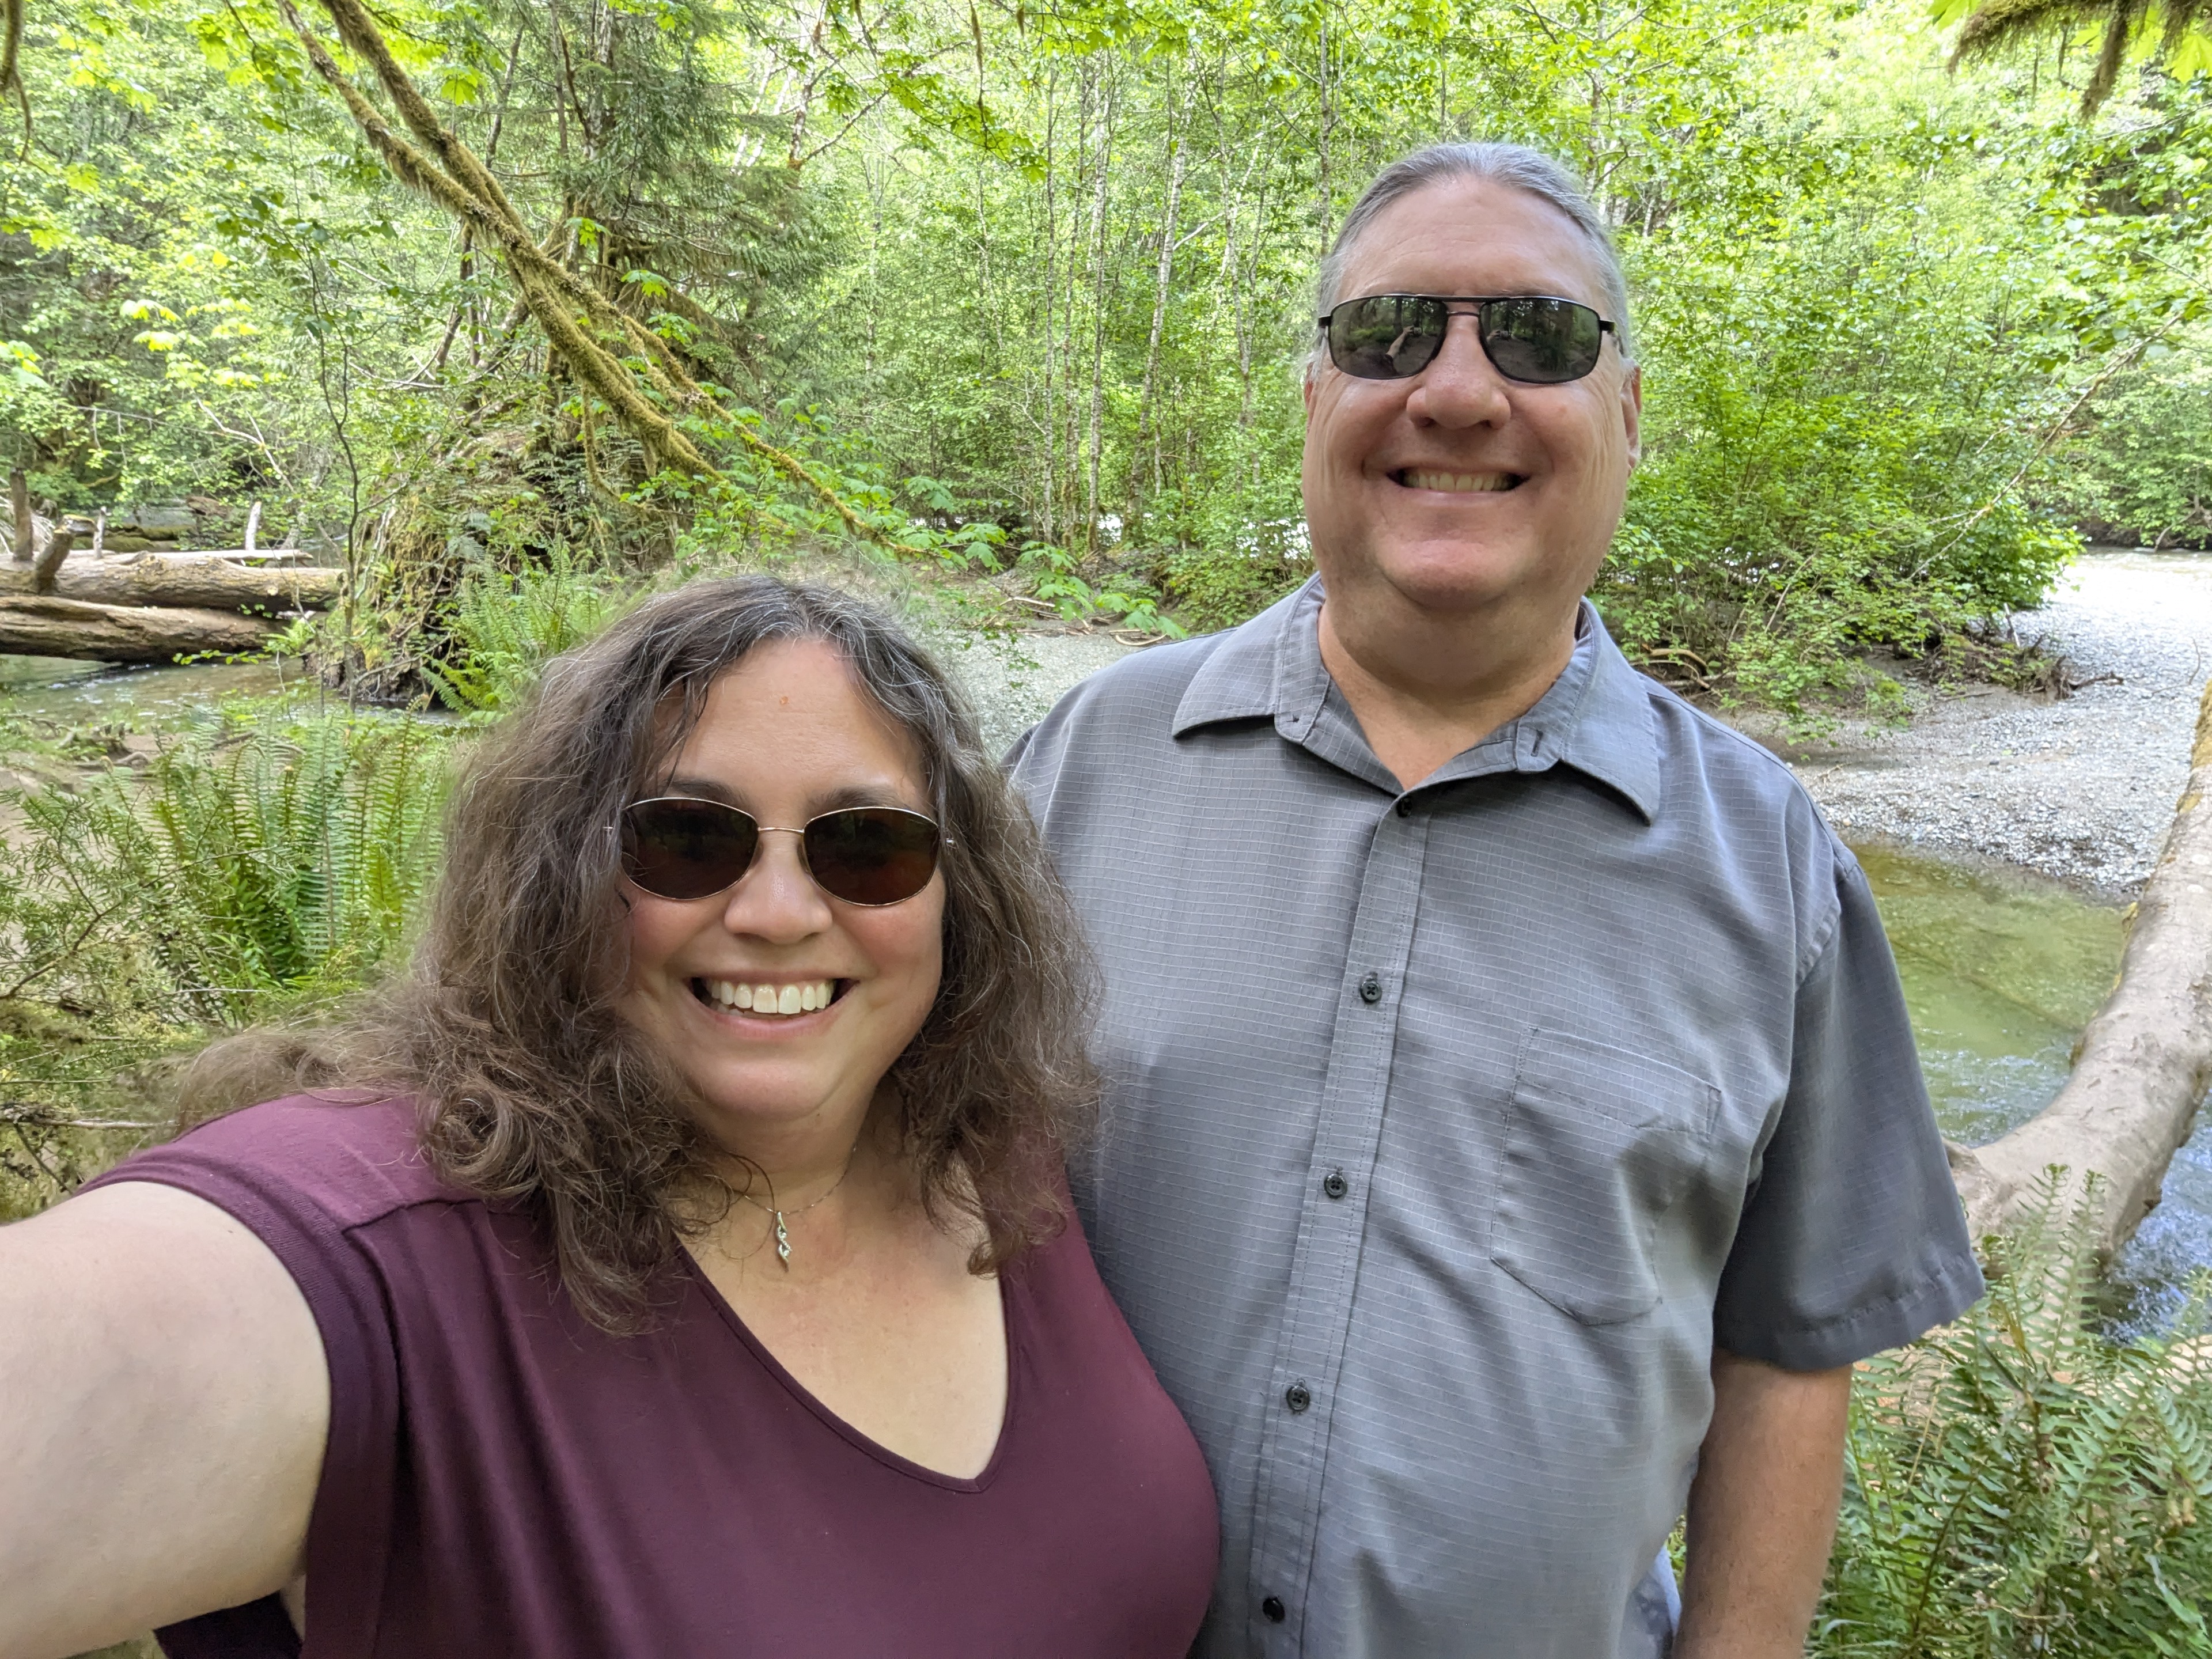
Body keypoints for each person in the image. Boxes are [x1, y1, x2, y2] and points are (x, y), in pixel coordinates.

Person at [1010, 141, 1984, 1658]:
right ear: (1316, 398)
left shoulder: (1769, 863)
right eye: (1389, 334)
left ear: (1629, 416)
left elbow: (1789, 1349)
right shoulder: (1077, 774)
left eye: (1537, 338)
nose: (1458, 392)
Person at [0, 577, 1218, 1658]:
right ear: (557, 876)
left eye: (865, 845)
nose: (782, 909)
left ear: (963, 893)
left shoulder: (997, 1154)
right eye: (688, 838)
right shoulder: (392, 1246)